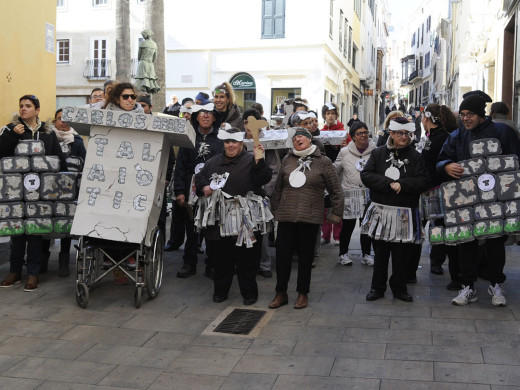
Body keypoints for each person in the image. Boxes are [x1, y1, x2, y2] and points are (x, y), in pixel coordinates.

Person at [437, 94, 520, 306]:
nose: (465, 119)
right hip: (466, 200)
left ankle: (496, 284)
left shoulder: (502, 132)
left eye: (469, 114)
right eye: (462, 115)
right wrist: (446, 165)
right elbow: (441, 159)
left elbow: (516, 160)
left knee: (494, 242)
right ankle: (468, 287)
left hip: (495, 200)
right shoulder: (457, 136)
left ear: (480, 114)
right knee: (466, 242)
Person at [195, 128, 272, 305]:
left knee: (247, 258)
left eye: (234, 142)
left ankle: (249, 293)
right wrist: (204, 186)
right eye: (227, 142)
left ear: (241, 143)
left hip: (246, 218)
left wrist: (259, 161)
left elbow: (264, 178)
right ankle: (220, 291)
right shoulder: (214, 161)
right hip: (220, 220)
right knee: (221, 258)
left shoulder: (251, 159)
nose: (230, 145)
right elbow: (199, 178)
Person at [269, 128, 343, 310]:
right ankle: (281, 292)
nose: (297, 139)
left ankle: (303, 293)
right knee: (282, 256)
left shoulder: (323, 162)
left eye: (301, 136)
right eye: (294, 138)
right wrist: (275, 211)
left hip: (309, 217)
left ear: (310, 139)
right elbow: (278, 188)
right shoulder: (287, 160)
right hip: (286, 216)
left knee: (305, 257)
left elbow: (336, 190)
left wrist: (335, 214)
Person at [0, 95, 67, 291]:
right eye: (21, 106)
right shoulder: (9, 129)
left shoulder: (48, 133)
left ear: (37, 110)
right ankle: (14, 272)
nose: (23, 109)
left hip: (40, 193)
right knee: (17, 231)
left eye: (28, 106)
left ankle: (33, 273)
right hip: (15, 191)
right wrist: (12, 135)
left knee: (36, 232)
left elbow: (58, 159)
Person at [361, 117, 430, 303]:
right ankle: (377, 288)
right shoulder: (378, 153)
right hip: (382, 211)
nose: (404, 137)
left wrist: (403, 185)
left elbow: (424, 180)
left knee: (402, 255)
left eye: (407, 133)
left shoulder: (416, 156)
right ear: (391, 133)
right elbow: (366, 175)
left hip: (405, 213)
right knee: (381, 254)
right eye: (400, 133)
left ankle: (399, 288)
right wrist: (388, 183)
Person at [408, 103, 458, 285]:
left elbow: (427, 162)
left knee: (424, 229)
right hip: (432, 189)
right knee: (434, 227)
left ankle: (420, 267)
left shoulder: (439, 137)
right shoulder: (433, 136)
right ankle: (434, 263)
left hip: (435, 190)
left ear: (426, 117)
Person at [173, 103, 223, 278]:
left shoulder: (221, 139)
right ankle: (189, 263)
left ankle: (212, 263)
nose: (206, 116)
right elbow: (180, 166)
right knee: (192, 228)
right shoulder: (189, 138)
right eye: (202, 113)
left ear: (214, 117)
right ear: (196, 117)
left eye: (209, 113)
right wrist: (179, 191)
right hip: (191, 189)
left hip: (213, 189)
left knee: (212, 227)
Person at [101, 82, 144, 279]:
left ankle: (129, 257)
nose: (130, 100)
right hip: (108, 177)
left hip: (133, 178)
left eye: (133, 97)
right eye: (126, 96)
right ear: (117, 98)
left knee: (129, 219)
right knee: (109, 219)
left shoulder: (144, 119)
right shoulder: (104, 116)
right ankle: (111, 257)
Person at [41, 108, 87, 277]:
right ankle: (42, 261)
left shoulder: (77, 141)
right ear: (54, 121)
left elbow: (84, 164)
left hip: (70, 190)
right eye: (60, 118)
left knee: (65, 224)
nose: (63, 121)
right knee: (46, 222)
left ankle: (64, 261)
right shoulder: (46, 138)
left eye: (67, 119)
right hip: (48, 189)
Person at [334, 122, 375, 266]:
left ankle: (366, 254)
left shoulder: (375, 151)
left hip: (369, 194)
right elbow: (335, 171)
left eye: (365, 132)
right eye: (360, 133)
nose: (364, 135)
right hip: (350, 194)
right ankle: (343, 254)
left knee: (366, 226)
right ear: (353, 137)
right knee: (347, 226)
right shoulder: (345, 152)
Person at [135, 29, 160, 94]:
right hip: (150, 64)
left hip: (143, 62)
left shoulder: (142, 43)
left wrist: (140, 61)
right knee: (150, 81)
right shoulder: (154, 44)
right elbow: (155, 57)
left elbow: (139, 55)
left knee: (141, 81)